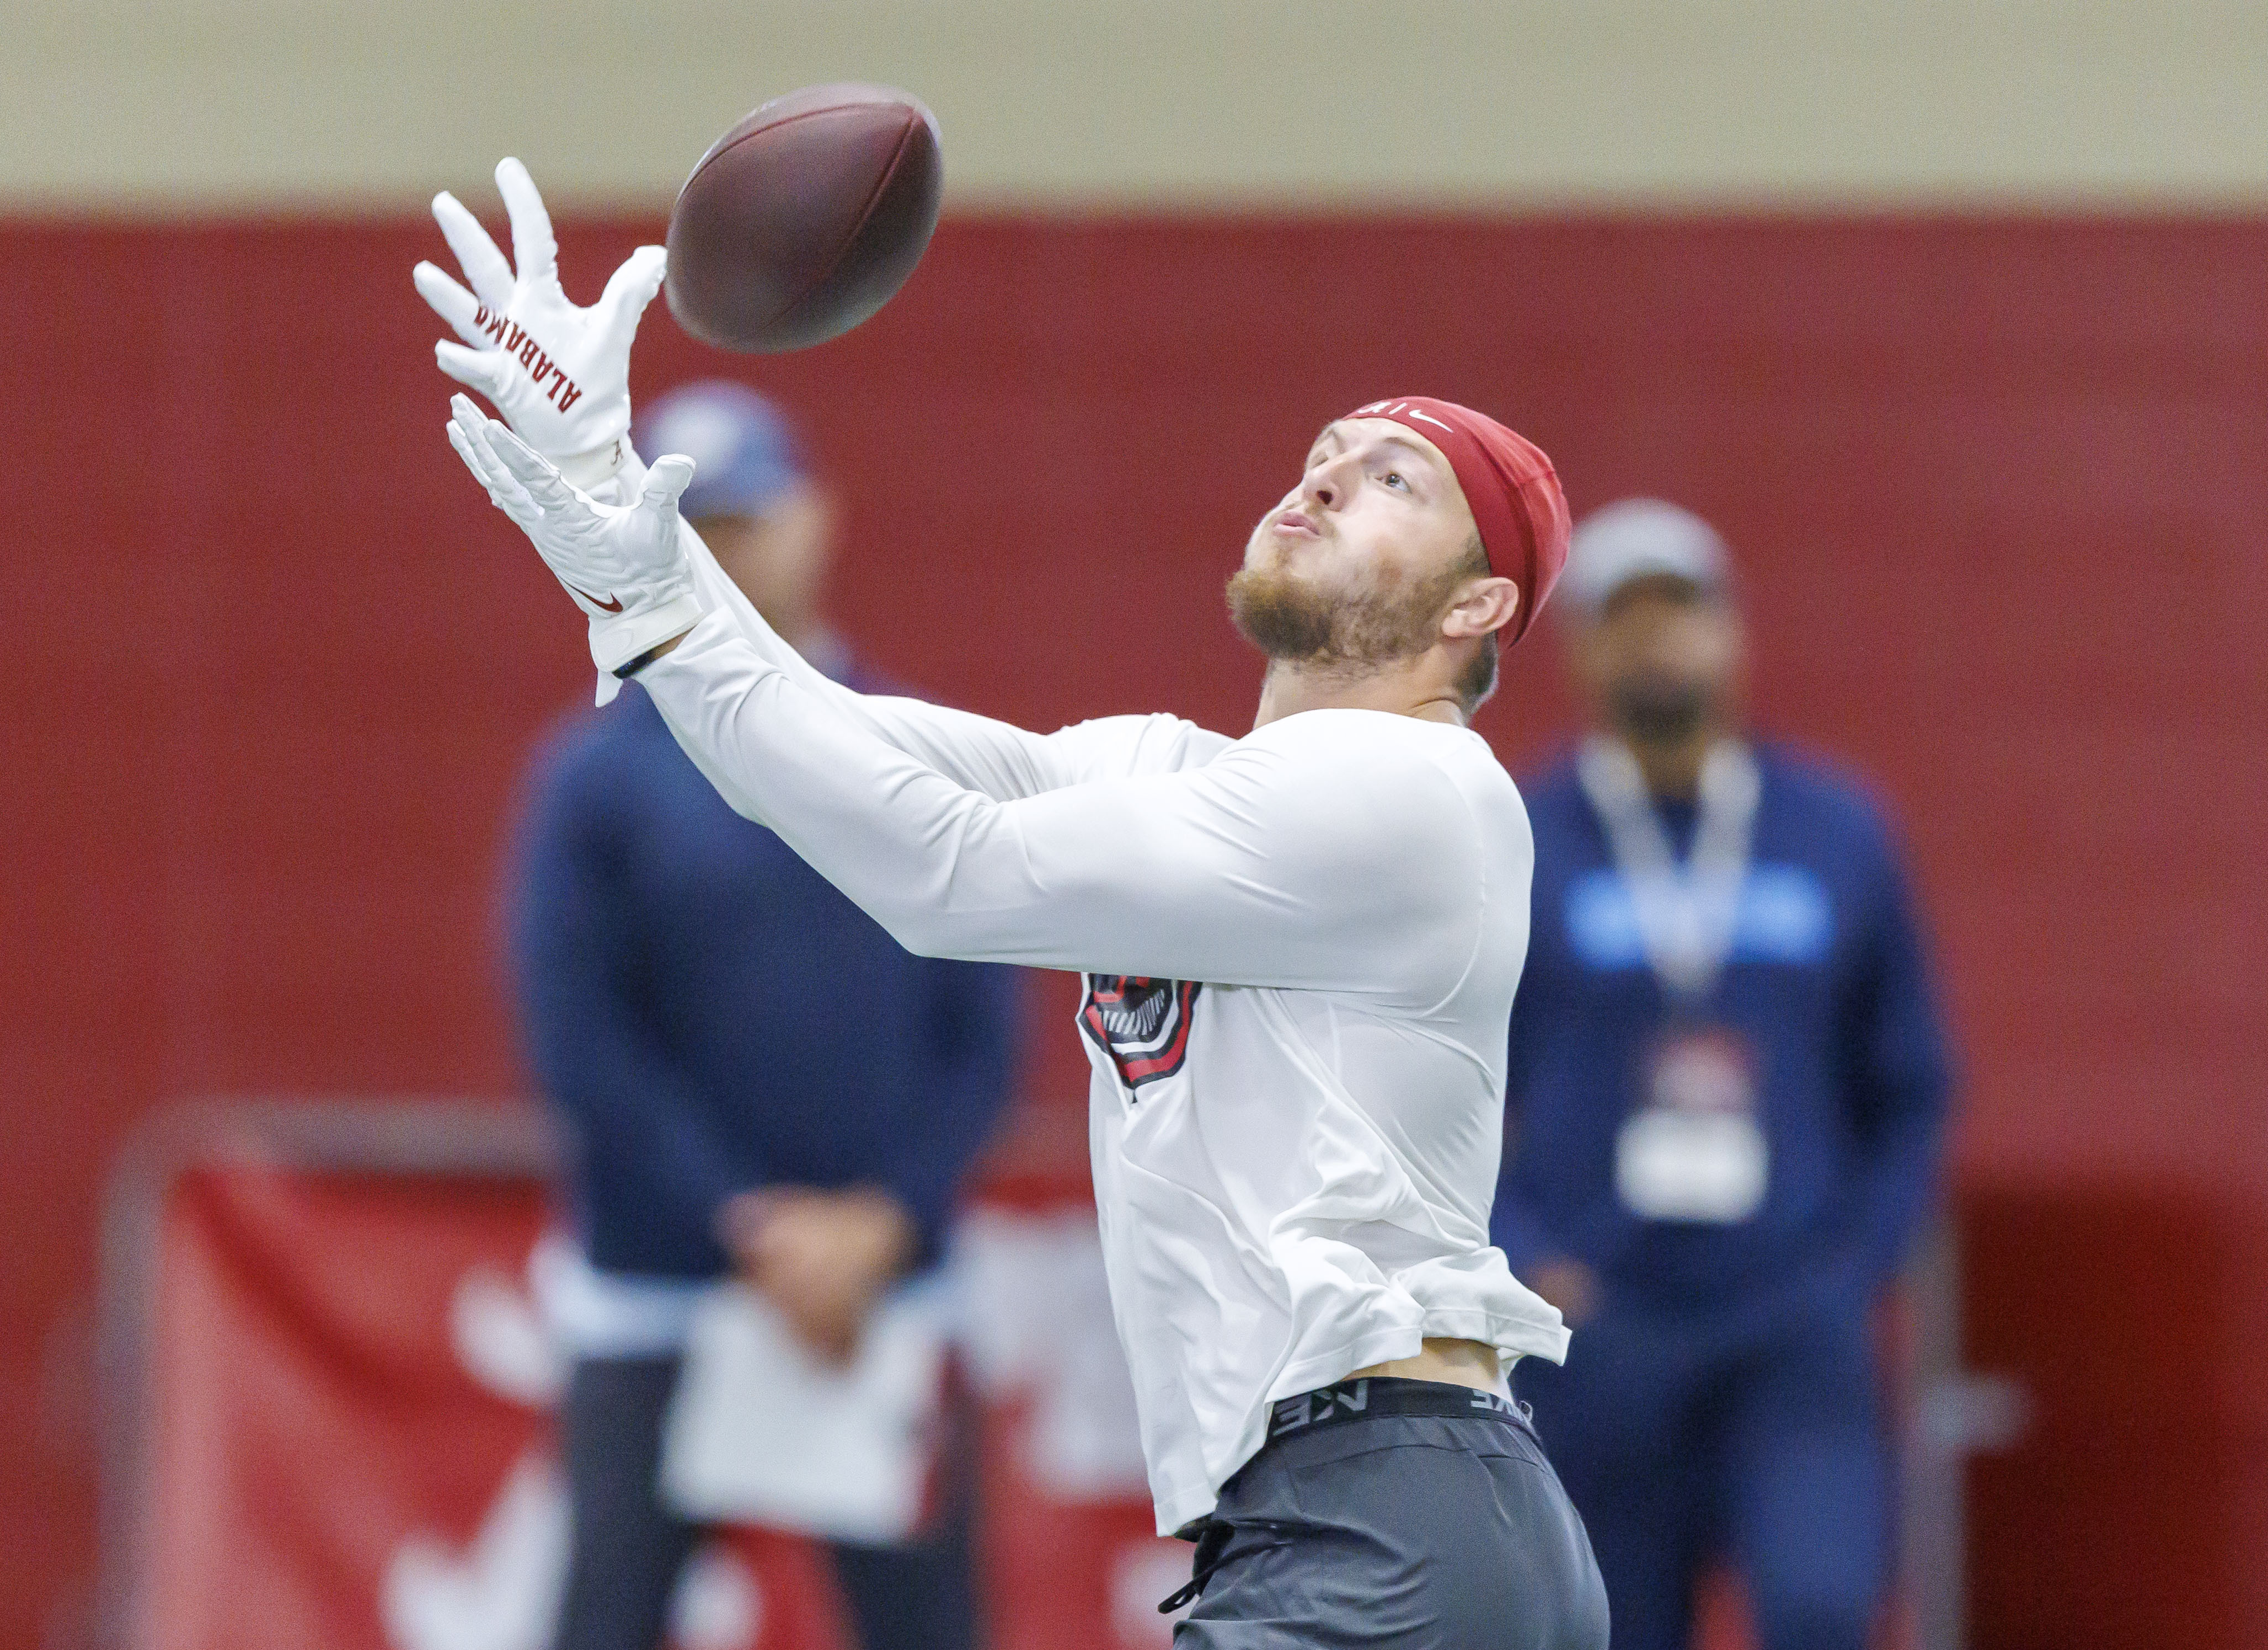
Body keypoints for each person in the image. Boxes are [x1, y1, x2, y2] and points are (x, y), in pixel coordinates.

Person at [420, 162, 1607, 1647]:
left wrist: (651, 596)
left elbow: (944, 874)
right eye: (1322, 450)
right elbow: (834, 748)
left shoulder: (1414, 795)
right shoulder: (1178, 771)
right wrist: (616, 521)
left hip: (1393, 1517)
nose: (1320, 477)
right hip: (1344, 1520)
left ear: (1475, 608)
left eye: (1391, 481)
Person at [421, 169, 1019, 1650]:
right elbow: (577, 1033)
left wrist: (880, 1223)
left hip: (882, 1296)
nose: (736, 546)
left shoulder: (913, 743)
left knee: (926, 1627)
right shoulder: (599, 777)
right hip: (663, 1289)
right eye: (704, 521)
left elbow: (986, 1014)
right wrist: (747, 1224)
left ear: (816, 519)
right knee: (608, 1618)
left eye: (752, 514)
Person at [1495, 500, 1955, 1650]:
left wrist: (1854, 1263)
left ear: (1735, 633)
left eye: (1682, 614)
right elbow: (1437, 1085)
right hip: (1601, 1315)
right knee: (1611, 1623)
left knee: (1818, 1605)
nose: (1659, 645)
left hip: (1788, 1313)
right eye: (1625, 619)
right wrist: (1521, 1252)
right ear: (1581, 649)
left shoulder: (1837, 831)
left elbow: (1910, 1081)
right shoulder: (1515, 837)